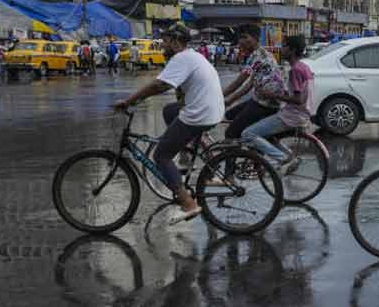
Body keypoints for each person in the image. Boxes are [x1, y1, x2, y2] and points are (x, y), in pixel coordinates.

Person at [113, 22, 224, 222]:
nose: (161, 45)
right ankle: (187, 154)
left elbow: (158, 86)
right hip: (211, 110)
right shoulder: (193, 56)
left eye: (164, 41)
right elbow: (176, 94)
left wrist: (129, 101)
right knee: (170, 111)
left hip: (200, 114)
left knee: (162, 155)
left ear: (175, 42)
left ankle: (188, 204)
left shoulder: (181, 58)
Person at [240, 35, 314, 170]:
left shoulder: (295, 70)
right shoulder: (304, 67)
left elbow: (299, 99)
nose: (281, 49)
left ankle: (283, 158)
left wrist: (272, 94)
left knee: (247, 134)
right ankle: (289, 156)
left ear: (292, 50)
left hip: (291, 116)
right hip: (301, 115)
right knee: (268, 136)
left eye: (284, 46)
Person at [220, 25, 286, 141]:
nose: (241, 41)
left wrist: (218, 97)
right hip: (259, 99)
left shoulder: (258, 56)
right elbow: (250, 84)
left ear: (255, 38)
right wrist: (229, 100)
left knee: (230, 133)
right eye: (240, 38)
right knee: (230, 115)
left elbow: (239, 82)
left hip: (265, 104)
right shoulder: (260, 54)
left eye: (245, 37)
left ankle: (236, 155)